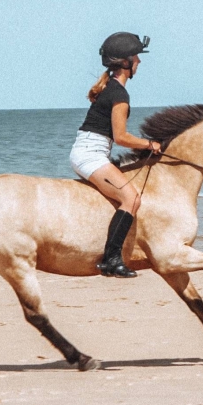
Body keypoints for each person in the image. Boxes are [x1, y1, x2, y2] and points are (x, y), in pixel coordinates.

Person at [70, 32, 162, 278]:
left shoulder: (110, 87)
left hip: (90, 150)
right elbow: (121, 137)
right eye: (135, 57)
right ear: (124, 62)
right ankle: (111, 259)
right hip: (90, 155)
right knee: (131, 199)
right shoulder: (119, 94)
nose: (139, 62)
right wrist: (149, 144)